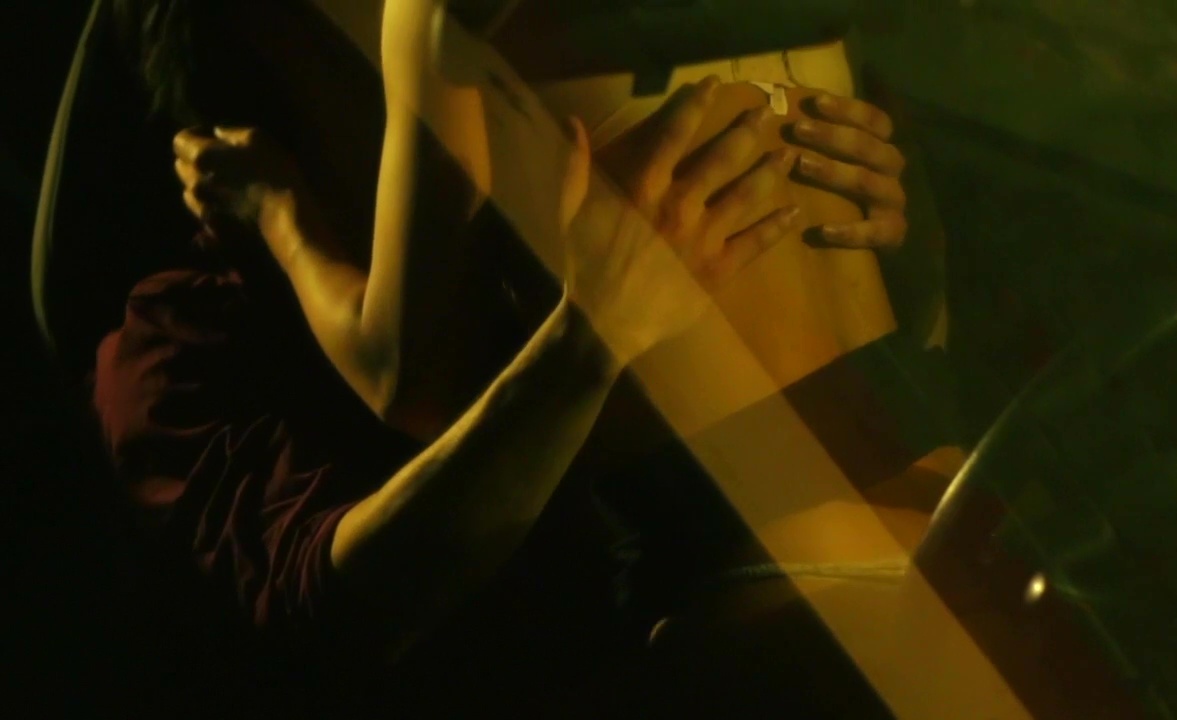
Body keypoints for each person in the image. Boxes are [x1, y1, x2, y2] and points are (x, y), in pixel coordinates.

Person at [98, 0, 925, 714]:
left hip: (872, 517)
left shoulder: (512, 136)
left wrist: (863, 210)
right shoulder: (183, 338)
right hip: (712, 616)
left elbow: (878, 359)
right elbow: (339, 617)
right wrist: (588, 339)